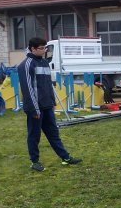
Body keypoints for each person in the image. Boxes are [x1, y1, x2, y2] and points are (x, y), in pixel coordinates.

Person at [18, 37, 82, 172]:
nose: (44, 50)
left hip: (47, 106)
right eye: (41, 48)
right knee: (34, 135)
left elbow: (49, 85)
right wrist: (35, 109)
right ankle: (34, 162)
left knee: (53, 133)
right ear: (33, 49)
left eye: (45, 47)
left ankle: (65, 157)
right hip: (35, 108)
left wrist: (52, 102)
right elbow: (28, 89)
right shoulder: (26, 65)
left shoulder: (45, 63)